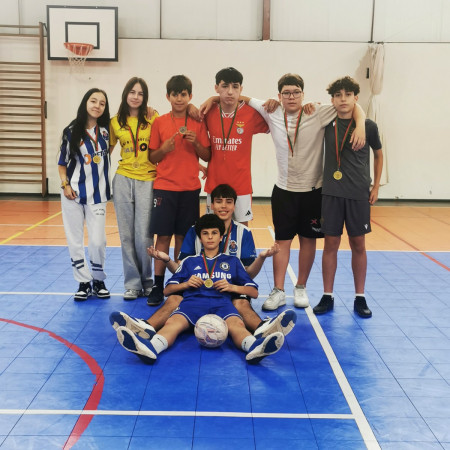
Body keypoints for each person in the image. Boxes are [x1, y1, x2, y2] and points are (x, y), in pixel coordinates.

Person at [228, 73, 366, 310]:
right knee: (281, 241)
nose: (291, 97)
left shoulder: (317, 112)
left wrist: (361, 124)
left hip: (313, 191)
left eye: (296, 92)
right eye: (286, 93)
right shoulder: (271, 110)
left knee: (308, 241)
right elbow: (241, 97)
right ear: (279, 95)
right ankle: (278, 290)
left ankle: (301, 287)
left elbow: (353, 105)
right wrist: (211, 100)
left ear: (303, 94)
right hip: (284, 191)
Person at [109, 184, 296, 341]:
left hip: (228, 291)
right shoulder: (195, 231)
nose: (223, 206)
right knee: (174, 298)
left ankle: (263, 330)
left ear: (234, 205)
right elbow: (182, 269)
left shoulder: (244, 233)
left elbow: (248, 275)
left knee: (241, 302)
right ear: (211, 205)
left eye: (228, 202)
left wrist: (260, 259)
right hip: (198, 292)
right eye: (219, 201)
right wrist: (167, 260)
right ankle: (146, 327)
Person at [114, 214, 286, 365]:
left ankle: (255, 348)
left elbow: (254, 292)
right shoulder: (189, 262)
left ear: (221, 237)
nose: (210, 237)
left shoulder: (232, 261)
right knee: (172, 323)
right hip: (192, 303)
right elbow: (167, 291)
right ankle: (151, 349)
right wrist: (186, 284)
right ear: (200, 238)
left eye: (214, 233)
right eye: (205, 233)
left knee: (237, 325)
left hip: (222, 304)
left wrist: (232, 287)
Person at [312, 76, 383, 318]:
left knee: (358, 244)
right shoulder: (326, 122)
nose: (343, 99)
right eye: (338, 95)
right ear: (332, 99)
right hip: (331, 193)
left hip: (358, 194)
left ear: (356, 97)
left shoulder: (368, 126)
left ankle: (360, 297)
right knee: (330, 244)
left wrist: (376, 186)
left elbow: (379, 155)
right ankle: (327, 295)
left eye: (348, 95)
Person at [147, 75, 211, 306]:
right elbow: (152, 157)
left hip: (190, 189)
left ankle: (179, 283)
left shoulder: (198, 122)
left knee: (183, 238)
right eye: (175, 94)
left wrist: (196, 143)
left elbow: (207, 155)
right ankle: (157, 285)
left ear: (190, 96)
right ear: (168, 97)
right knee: (163, 237)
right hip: (165, 188)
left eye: (183, 94)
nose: (179, 98)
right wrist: (163, 149)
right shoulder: (159, 122)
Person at [57, 88, 111, 301]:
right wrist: (65, 185)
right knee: (75, 240)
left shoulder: (107, 130)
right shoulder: (71, 131)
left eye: (102, 103)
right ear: (85, 103)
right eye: (93, 101)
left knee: (98, 241)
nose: (97, 106)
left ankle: (98, 279)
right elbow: (62, 163)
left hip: (98, 195)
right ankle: (83, 282)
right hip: (73, 194)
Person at [110, 77, 158, 301]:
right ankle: (132, 284)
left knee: (144, 236)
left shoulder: (153, 117)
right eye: (132, 92)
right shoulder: (114, 122)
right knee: (126, 236)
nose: (136, 97)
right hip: (123, 179)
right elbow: (104, 152)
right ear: (125, 94)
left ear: (145, 97)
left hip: (147, 180)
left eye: (140, 93)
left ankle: (147, 282)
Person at [202, 67, 269, 226]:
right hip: (215, 184)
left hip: (241, 186)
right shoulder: (208, 112)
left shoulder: (251, 114)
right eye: (225, 86)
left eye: (235, 87)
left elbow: (276, 118)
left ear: (241, 89)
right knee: (213, 230)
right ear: (216, 88)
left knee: (241, 230)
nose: (230, 91)